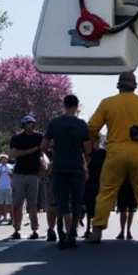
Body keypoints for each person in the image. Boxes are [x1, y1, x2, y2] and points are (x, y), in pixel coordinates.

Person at [86, 71, 138, 245]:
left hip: (114, 151)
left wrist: (97, 138)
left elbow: (92, 126)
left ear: (118, 85)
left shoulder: (107, 103)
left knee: (107, 191)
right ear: (135, 86)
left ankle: (97, 231)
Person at [42, 94, 91, 249]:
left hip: (59, 167)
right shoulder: (81, 125)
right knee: (76, 202)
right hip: (76, 167)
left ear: (63, 105)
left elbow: (43, 146)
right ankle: (72, 234)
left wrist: (54, 149)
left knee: (61, 201)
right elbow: (88, 149)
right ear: (76, 106)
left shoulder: (54, 123)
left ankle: (61, 233)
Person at [8, 117, 44, 240]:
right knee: (17, 203)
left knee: (32, 204)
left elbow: (44, 152)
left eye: (33, 123)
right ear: (23, 125)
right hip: (19, 174)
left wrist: (44, 164)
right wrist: (32, 150)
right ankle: (16, 229)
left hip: (34, 174)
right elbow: (13, 154)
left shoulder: (39, 137)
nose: (32, 125)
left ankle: (34, 229)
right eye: (29, 123)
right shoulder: (16, 138)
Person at [0, 154, 13, 224]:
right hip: (0, 187)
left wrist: (9, 173)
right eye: (2, 159)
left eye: (5, 159)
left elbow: (13, 176)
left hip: (9, 187)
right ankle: (1, 216)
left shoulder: (10, 167)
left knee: (9, 203)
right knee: (0, 202)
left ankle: (9, 216)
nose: (3, 160)